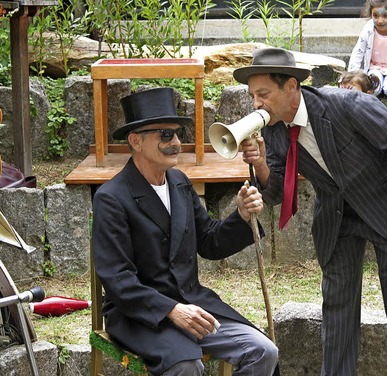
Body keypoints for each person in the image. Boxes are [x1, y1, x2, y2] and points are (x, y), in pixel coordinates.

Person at [235, 47, 387, 376]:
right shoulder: (275, 130)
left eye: (263, 94)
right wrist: (261, 163)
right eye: (253, 96)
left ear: (290, 86)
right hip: (337, 219)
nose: (256, 104)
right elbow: (277, 191)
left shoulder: (346, 104)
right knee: (337, 311)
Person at [91, 88, 279, 376]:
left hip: (193, 303)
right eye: (165, 135)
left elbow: (209, 242)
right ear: (135, 141)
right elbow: (117, 279)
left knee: (263, 350)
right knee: (187, 366)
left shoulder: (179, 182)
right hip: (140, 315)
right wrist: (171, 310)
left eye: (177, 134)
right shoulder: (111, 198)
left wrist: (241, 216)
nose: (176, 142)